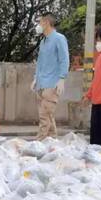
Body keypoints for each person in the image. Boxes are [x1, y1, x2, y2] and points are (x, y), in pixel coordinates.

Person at [31, 12, 69, 140]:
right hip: (42, 84)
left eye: (40, 22)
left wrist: (62, 78)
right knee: (48, 115)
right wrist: (36, 78)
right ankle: (52, 141)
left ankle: (39, 142)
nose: (39, 25)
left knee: (44, 116)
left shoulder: (59, 38)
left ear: (46, 23)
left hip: (52, 84)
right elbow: (40, 62)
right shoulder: (43, 41)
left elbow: (64, 59)